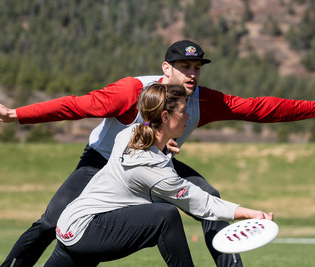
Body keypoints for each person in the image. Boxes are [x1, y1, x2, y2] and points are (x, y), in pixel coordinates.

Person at [0, 40, 315, 267]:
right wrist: (16, 115)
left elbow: (258, 108)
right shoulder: (132, 91)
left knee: (210, 198)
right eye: (184, 67)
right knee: (52, 221)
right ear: (166, 69)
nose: (192, 74)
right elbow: (77, 105)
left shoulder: (202, 101)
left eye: (196, 67)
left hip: (156, 163)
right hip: (102, 163)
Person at [44, 83, 274, 267]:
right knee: (166, 216)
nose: (187, 117)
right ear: (164, 117)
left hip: (72, 223)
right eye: (183, 111)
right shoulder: (153, 170)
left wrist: (162, 145)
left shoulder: (129, 134)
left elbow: (146, 140)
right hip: (88, 230)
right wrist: (250, 213)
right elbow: (202, 203)